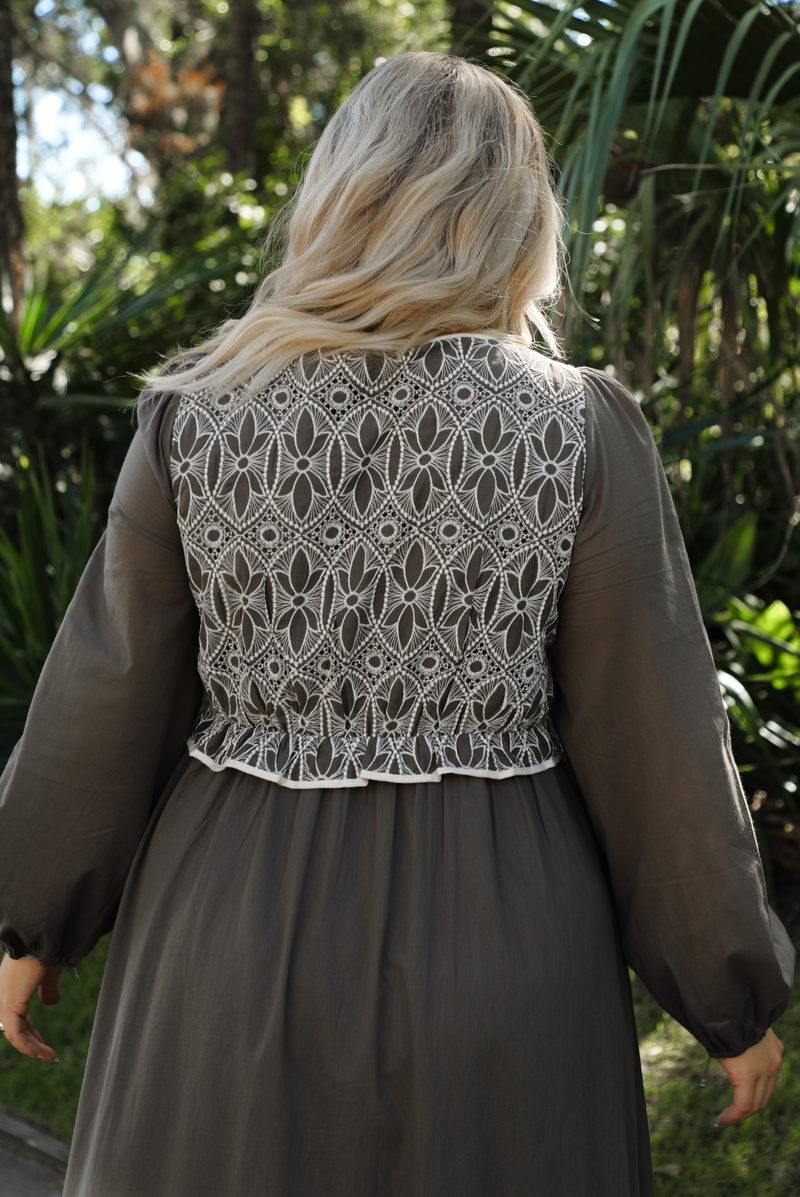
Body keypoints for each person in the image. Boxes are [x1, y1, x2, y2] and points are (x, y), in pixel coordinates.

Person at [0, 51, 793, 1197]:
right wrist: (726, 994)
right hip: (506, 946)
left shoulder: (199, 416)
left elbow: (103, 693)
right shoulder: (574, 427)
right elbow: (653, 733)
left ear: (338, 191)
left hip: (222, 942)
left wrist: (32, 921)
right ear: (517, 211)